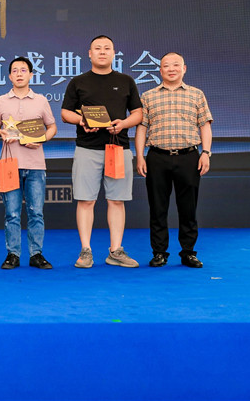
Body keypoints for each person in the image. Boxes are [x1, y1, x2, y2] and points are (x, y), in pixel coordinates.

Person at [61, 35, 142, 268]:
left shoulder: (126, 81)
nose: (102, 52)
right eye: (97, 48)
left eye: (107, 48)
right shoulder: (78, 82)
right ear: (90, 53)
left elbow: (138, 113)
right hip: (87, 148)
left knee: (117, 200)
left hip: (118, 148)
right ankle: (85, 251)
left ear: (114, 53)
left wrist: (124, 124)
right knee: (86, 200)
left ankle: (115, 251)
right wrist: (81, 121)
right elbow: (65, 113)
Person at [135, 52, 213, 268]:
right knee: (157, 208)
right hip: (157, 157)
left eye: (176, 65)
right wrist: (139, 156)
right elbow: (141, 128)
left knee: (188, 208)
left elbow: (205, 125)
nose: (171, 69)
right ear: (160, 70)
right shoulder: (148, 96)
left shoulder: (196, 94)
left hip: (188, 157)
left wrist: (206, 153)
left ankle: (188, 253)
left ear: (184, 68)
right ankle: (159, 252)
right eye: (166, 66)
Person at [0, 56, 58, 269]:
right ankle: (13, 254)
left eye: (23, 70)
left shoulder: (41, 100)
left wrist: (41, 139)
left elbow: (52, 127)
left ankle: (36, 254)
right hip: (9, 164)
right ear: (9, 76)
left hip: (35, 164)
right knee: (12, 213)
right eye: (15, 70)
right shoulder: (2, 100)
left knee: (36, 212)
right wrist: (0, 132)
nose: (19, 74)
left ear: (31, 75)